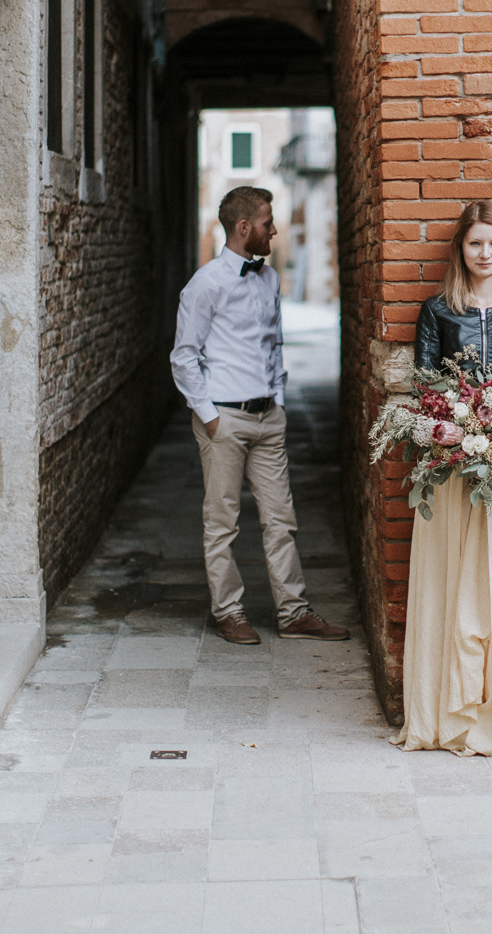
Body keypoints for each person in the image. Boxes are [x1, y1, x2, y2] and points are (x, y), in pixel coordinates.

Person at [393, 199, 492, 760]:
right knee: (450, 586)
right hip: (454, 475)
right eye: (476, 243)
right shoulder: (438, 311)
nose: (486, 253)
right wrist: (455, 429)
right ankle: (448, 715)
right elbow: (427, 387)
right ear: (460, 249)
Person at [170, 185, 349, 646]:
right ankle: (228, 612)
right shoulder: (205, 283)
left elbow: (275, 346)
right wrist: (209, 416)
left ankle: (292, 612)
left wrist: (280, 401)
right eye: (269, 222)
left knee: (280, 518)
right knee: (222, 521)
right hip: (223, 420)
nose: (275, 230)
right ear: (244, 227)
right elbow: (183, 357)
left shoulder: (269, 279)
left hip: (269, 418)